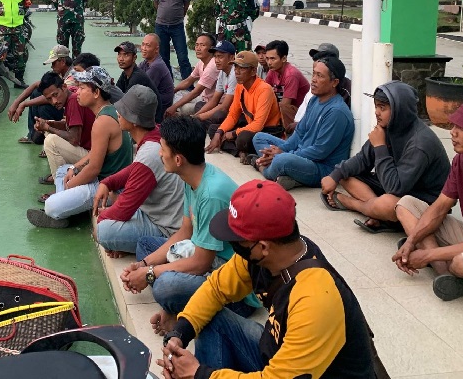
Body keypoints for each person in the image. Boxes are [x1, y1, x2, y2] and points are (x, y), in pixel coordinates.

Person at [158, 180, 375, 379]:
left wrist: (199, 374)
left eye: (235, 240)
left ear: (262, 247)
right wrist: (181, 332)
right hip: (277, 355)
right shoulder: (266, 255)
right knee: (209, 318)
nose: (231, 246)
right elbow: (216, 289)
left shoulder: (315, 298)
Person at [121, 117, 260, 337]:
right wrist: (143, 264)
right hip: (206, 256)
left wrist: (148, 274)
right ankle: (178, 306)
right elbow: (185, 232)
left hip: (236, 292)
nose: (159, 154)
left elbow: (200, 264)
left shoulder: (212, 194)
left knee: (164, 286)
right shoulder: (192, 176)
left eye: (163, 149)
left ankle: (182, 311)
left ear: (178, 159)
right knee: (145, 245)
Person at [393, 97, 463, 301]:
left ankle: (445, 263)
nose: (453, 133)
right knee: (407, 204)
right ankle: (446, 274)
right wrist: (412, 241)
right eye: (454, 125)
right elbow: (440, 207)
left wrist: (427, 254)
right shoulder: (461, 160)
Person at [321, 82, 450, 234]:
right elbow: (362, 160)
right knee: (346, 174)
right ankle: (378, 214)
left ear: (399, 110)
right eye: (376, 106)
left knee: (387, 203)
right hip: (396, 188)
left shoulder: (419, 143)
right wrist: (334, 176)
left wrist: (380, 147)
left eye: (383, 108)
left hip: (421, 202)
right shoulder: (388, 127)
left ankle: (353, 204)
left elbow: (395, 188)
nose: (377, 112)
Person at [28, 67, 132, 228]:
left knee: (51, 205)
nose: (77, 91)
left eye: (82, 88)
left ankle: (61, 213)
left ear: (96, 93)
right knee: (64, 170)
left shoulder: (102, 122)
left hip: (108, 187)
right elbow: (93, 155)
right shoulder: (109, 112)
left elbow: (94, 169)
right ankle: (68, 205)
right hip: (106, 179)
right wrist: (75, 169)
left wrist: (71, 186)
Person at [94, 85, 184, 258]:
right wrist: (108, 182)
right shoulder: (155, 133)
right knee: (114, 198)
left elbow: (124, 210)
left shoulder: (150, 153)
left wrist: (104, 219)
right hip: (158, 211)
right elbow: (137, 168)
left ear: (134, 120)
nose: (117, 112)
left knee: (103, 231)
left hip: (164, 227)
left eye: (123, 110)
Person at [252, 56, 354, 191]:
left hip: (321, 167)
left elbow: (319, 152)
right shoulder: (314, 100)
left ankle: (262, 167)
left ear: (334, 82)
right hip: (300, 153)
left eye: (320, 76)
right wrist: (284, 149)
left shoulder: (337, 112)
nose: (313, 79)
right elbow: (299, 132)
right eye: (313, 74)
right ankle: (286, 174)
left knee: (281, 161)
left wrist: (282, 154)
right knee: (259, 137)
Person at [206, 51, 282, 162]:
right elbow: (233, 115)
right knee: (213, 130)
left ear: (253, 71)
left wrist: (233, 133)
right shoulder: (240, 87)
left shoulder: (264, 89)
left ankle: (242, 149)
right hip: (250, 126)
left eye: (242, 68)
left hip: (267, 131)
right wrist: (220, 132)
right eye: (235, 68)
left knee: (243, 138)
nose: (237, 72)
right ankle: (240, 152)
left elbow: (258, 125)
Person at [34, 70, 96, 186]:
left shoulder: (73, 100)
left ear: (64, 87)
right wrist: (49, 124)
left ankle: (61, 186)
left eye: (55, 95)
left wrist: (48, 127)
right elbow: (70, 125)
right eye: (49, 99)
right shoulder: (70, 97)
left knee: (51, 140)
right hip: (91, 153)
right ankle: (61, 178)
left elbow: (74, 138)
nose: (54, 101)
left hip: (93, 157)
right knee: (50, 135)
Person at [153, 0, 192, 79]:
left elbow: (186, 3)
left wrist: (179, 15)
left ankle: (188, 86)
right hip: (161, 26)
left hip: (177, 27)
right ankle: (167, 83)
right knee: (163, 57)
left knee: (182, 56)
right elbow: (156, 3)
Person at [166, 34, 219, 117]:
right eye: (197, 45)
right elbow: (188, 81)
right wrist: (173, 91)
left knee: (184, 107)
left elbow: (195, 92)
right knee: (176, 94)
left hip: (208, 103)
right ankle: (177, 113)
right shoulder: (201, 63)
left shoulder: (212, 66)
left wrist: (174, 106)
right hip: (201, 97)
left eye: (202, 45)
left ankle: (180, 116)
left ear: (212, 48)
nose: (198, 48)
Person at [264, 40, 310, 129]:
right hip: (286, 110)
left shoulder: (291, 75)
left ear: (284, 59)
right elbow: (264, 91)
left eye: (273, 59)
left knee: (282, 107)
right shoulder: (272, 70)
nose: (269, 62)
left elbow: (285, 104)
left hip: (301, 115)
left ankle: (288, 135)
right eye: (267, 58)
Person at [114, 41, 163, 123]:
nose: (121, 58)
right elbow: (117, 94)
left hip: (150, 121)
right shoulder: (125, 74)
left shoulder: (137, 77)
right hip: (137, 115)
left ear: (134, 58)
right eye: (119, 54)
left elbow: (125, 104)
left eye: (126, 55)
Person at [192, 40, 236, 130]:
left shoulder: (235, 73)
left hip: (236, 111)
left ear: (231, 58)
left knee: (218, 115)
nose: (216, 60)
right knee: (199, 105)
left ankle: (219, 129)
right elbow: (214, 101)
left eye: (220, 57)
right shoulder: (222, 72)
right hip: (224, 108)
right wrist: (195, 116)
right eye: (215, 57)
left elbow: (224, 106)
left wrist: (198, 117)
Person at [139, 33, 175, 113]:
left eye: (148, 46)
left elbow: (142, 90)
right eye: (143, 45)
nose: (143, 48)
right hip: (153, 101)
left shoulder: (156, 66)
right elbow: (134, 74)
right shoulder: (146, 62)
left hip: (160, 107)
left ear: (156, 49)